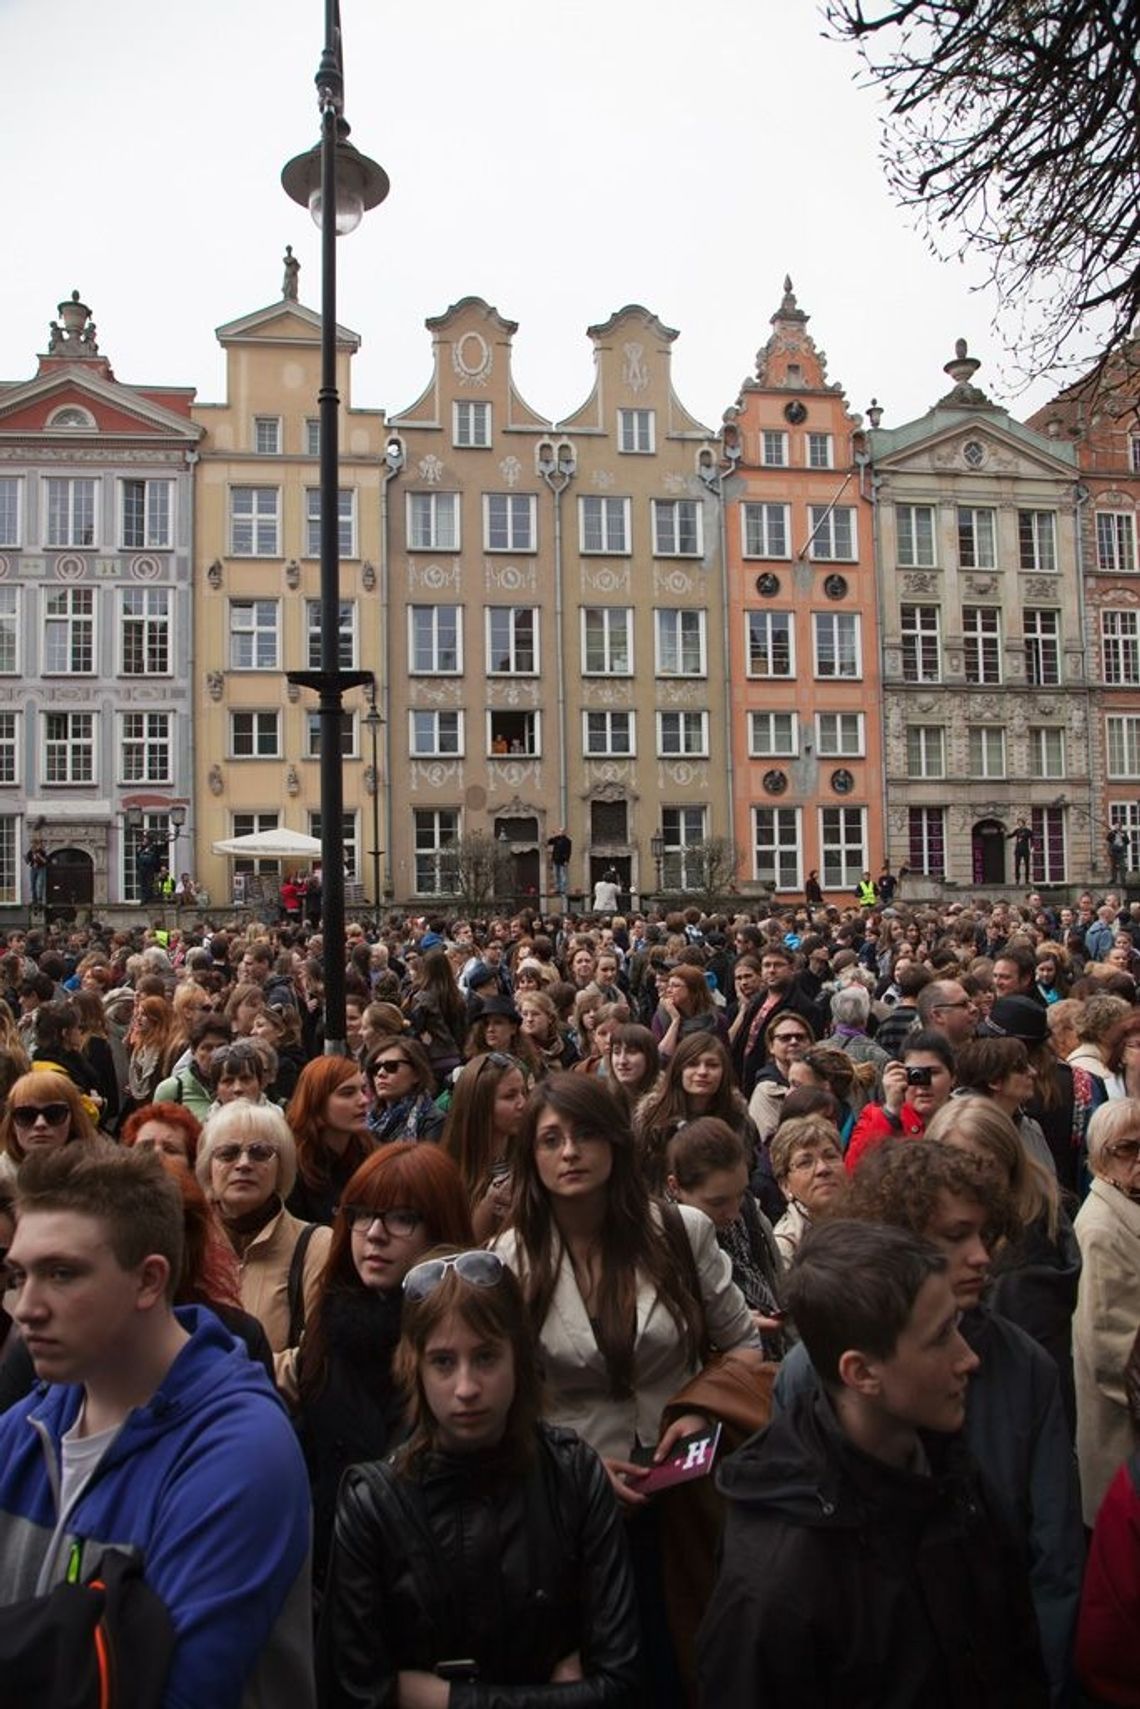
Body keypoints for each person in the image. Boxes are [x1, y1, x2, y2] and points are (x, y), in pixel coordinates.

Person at [0, 1143, 315, 1707]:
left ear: (149, 1281)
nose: (26, 1307)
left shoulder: (241, 1454)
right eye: (18, 1276)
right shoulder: (23, 1432)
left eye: (61, 1273)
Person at [699, 1219, 1050, 1707]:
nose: (968, 1357)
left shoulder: (943, 1462)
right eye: (940, 1337)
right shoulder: (777, 1587)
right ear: (861, 1372)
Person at [495, 1074, 755, 1698]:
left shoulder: (679, 1232)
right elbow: (503, 1400)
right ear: (531, 1155)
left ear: (614, 1141)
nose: (569, 1153)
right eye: (551, 1139)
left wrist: (698, 1411)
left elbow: (744, 1344)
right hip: (576, 1508)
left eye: (585, 1134)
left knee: (694, 1655)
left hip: (690, 1492)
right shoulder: (508, 1259)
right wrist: (570, 1464)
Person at [317, 1247, 640, 1707]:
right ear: (416, 1367)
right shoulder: (373, 1504)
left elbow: (621, 1683)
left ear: (518, 1359)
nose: (466, 1388)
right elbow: (355, 1692)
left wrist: (439, 1699)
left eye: (485, 1358)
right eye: (444, 1362)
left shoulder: (572, 1476)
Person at [283, 1142, 473, 1590]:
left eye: (402, 1218)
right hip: (333, 1580)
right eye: (361, 1214)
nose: (374, 1233)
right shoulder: (329, 1324)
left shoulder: (468, 1343)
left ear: (439, 1227)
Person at [197, 1100, 332, 1353]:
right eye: (228, 1153)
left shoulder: (317, 1246)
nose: (244, 1164)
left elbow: (314, 1358)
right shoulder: (188, 1246)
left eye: (260, 1153)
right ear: (208, 1168)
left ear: (282, 1167)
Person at [664, 1117, 785, 1354]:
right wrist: (730, 1324)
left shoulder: (751, 1215)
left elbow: (775, 1281)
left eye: (740, 1194)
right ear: (675, 1187)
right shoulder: (665, 1241)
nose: (733, 1213)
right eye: (717, 1202)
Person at [1073, 1099, 1140, 1527]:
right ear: (1100, 1159)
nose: (1139, 1158)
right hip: (1124, 1437)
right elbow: (1110, 1349)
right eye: (1127, 1149)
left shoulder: (1127, 1206)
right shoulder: (1100, 1228)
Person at [444, 1050, 529, 1242]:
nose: (522, 1103)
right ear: (479, 1105)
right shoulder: (447, 1176)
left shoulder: (533, 1160)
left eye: (523, 1092)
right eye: (510, 1096)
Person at [844, 1030, 956, 1173]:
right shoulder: (875, 1116)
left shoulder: (969, 1118)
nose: (923, 1084)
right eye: (915, 1074)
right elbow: (854, 1172)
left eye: (933, 1073)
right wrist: (890, 1113)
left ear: (953, 1077)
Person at [285, 1057, 373, 1226]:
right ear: (316, 1102)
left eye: (363, 1090)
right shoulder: (291, 1169)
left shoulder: (371, 1154)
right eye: (347, 1093)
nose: (363, 1100)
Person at [769, 1114, 848, 1263]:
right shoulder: (785, 1248)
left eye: (831, 1156)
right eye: (805, 1162)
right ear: (785, 1185)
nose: (823, 1169)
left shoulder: (869, 1219)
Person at [0, 1069, 99, 1184]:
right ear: (12, 1125)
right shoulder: (3, 1178)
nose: (40, 1124)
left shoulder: (101, 1178)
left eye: (54, 1114)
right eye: (26, 1115)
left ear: (73, 1120)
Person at [363, 1037, 445, 1143]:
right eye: (375, 1068)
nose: (380, 1073)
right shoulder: (368, 1119)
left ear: (417, 1074)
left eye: (391, 1066)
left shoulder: (434, 1121)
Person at [1009, 817, 1035, 886]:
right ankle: (1017, 879)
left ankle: (1027, 880)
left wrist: (1032, 847)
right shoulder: (1017, 830)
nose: (1019, 824)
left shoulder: (1028, 831)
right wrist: (1004, 833)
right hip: (1018, 850)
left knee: (1027, 865)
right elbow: (1011, 835)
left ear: (1023, 823)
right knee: (1017, 865)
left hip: (1025, 850)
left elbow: (1032, 839)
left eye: (1020, 822)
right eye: (1018, 822)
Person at [547, 826, 572, 899]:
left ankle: (563, 889)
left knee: (562, 875)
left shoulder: (568, 841)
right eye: (560, 831)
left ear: (565, 832)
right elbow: (549, 842)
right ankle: (557, 889)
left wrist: (567, 860)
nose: (561, 832)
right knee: (556, 875)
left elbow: (569, 851)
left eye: (562, 831)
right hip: (555, 859)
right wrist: (553, 835)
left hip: (562, 860)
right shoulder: (556, 839)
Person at [24, 835, 47, 906]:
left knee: (40, 884)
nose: (32, 846)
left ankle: (40, 899)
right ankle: (34, 900)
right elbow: (28, 862)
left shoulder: (41, 851)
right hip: (33, 869)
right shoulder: (30, 852)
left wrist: (39, 856)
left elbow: (45, 861)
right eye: (31, 845)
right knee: (33, 884)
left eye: (34, 844)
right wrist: (26, 859)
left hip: (41, 868)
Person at [1107, 821, 1131, 887]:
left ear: (1120, 827)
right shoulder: (1112, 833)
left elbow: (1127, 841)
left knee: (1122, 865)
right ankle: (1113, 879)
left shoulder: (1123, 833)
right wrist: (1112, 832)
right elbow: (1108, 838)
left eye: (1118, 826)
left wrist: (1123, 836)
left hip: (1120, 851)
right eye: (1116, 826)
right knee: (1113, 866)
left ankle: (1123, 879)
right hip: (1113, 850)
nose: (1116, 827)